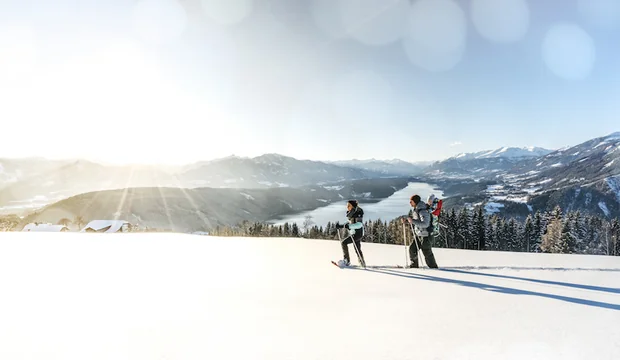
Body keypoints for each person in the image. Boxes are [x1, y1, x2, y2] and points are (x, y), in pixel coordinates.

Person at [403, 194, 438, 268]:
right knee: (412, 249)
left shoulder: (422, 210)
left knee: (426, 251)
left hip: (426, 235)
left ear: (415, 202)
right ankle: (414, 265)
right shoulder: (417, 209)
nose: (410, 203)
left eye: (411, 201)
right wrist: (407, 221)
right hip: (419, 234)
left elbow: (425, 224)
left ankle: (433, 268)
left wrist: (412, 221)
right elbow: (416, 220)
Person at [335, 199, 366, 267]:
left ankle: (346, 261)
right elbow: (349, 223)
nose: (347, 207)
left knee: (344, 242)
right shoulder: (351, 213)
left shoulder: (358, 212)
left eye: (349, 205)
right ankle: (362, 262)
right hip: (354, 233)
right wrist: (341, 226)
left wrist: (349, 226)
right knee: (357, 248)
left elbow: (359, 225)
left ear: (353, 206)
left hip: (357, 233)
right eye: (347, 205)